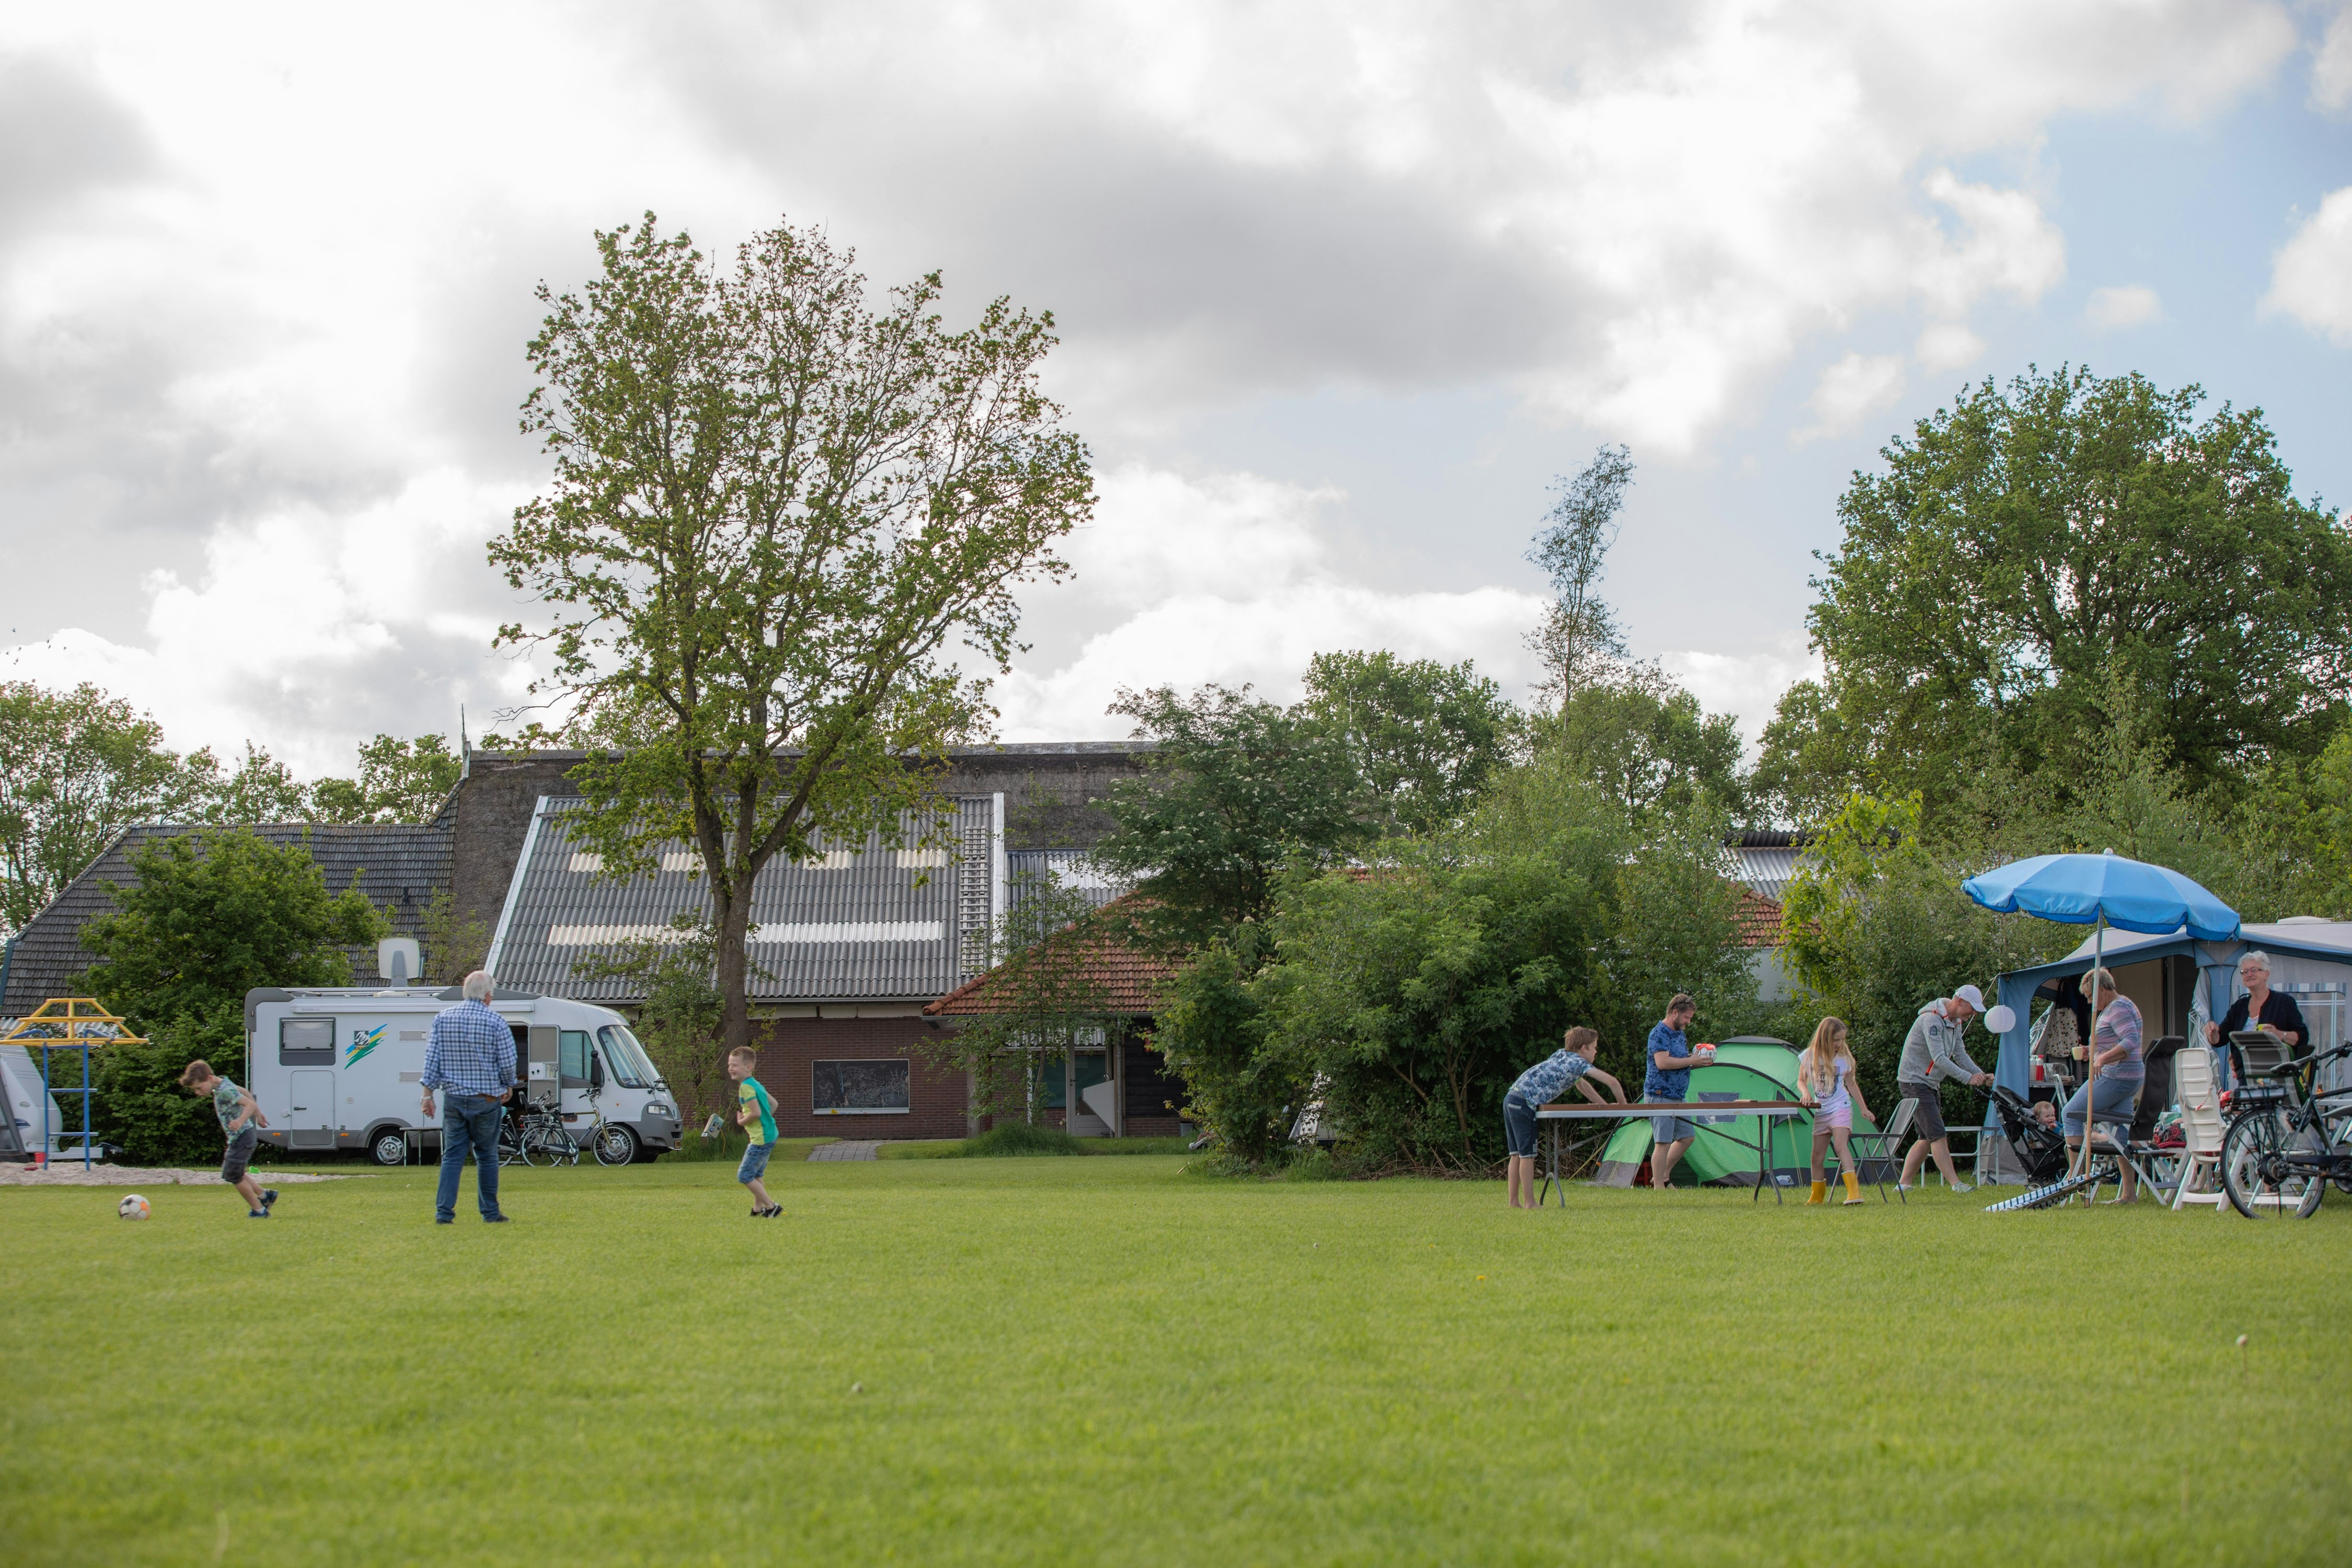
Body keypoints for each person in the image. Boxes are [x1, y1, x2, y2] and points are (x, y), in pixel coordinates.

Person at [421, 970, 517, 1225]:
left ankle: (444, 1214)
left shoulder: (443, 1019)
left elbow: (432, 1059)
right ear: (487, 995)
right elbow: (508, 1061)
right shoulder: (496, 1021)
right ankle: (490, 1213)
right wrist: (508, 1085)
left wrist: (427, 1095)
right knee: (487, 1156)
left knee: (452, 1156)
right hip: (486, 1099)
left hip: (454, 1098)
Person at [1503, 1026, 1627, 1208]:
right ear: (1584, 1048)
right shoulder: (1578, 1062)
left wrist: (1604, 1106)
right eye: (1594, 1048)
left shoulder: (1562, 1055)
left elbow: (1581, 1085)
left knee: (1516, 1154)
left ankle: (1514, 1202)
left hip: (1511, 1098)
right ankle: (1530, 1203)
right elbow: (1612, 1082)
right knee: (1528, 1155)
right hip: (1525, 1103)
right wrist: (1623, 1106)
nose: (1596, 1052)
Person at [1896, 983, 1993, 1193]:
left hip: (1929, 1084)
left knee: (1926, 1138)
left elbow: (1960, 1054)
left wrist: (1980, 1075)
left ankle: (1903, 1185)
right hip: (1914, 1083)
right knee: (1938, 1134)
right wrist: (1968, 1078)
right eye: (1972, 1008)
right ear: (1960, 1001)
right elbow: (1939, 1058)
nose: (1974, 1013)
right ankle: (1956, 1184)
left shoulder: (1956, 1023)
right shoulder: (1931, 1019)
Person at [2062, 967, 2143, 1200]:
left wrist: (2103, 1058)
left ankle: (2076, 1178)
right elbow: (2118, 1041)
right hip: (2128, 1078)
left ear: (2102, 990)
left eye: (2090, 996)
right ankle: (2128, 1194)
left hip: (2116, 1076)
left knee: (2070, 1113)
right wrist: (2094, 1051)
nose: (2089, 1002)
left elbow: (2130, 1041)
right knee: (2120, 1136)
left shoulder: (2117, 1009)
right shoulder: (2123, 1004)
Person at [177, 1059, 278, 1219]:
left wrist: (241, 1120)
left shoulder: (224, 1090)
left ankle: (259, 1211)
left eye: (199, 1088)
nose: (197, 1092)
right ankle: (265, 1195)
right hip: (242, 1137)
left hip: (242, 1137)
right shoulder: (223, 1084)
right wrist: (258, 1114)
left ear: (210, 1078)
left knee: (233, 1175)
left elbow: (249, 1104)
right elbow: (244, 1091)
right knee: (234, 1172)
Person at [1796, 1017, 1874, 1206]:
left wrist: (1863, 1108)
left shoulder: (1844, 1058)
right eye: (1835, 1040)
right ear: (1824, 1038)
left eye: (1841, 1039)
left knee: (1840, 1146)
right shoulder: (1809, 1055)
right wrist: (1806, 1093)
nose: (1839, 1044)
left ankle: (1854, 1192)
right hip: (1822, 1110)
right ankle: (1817, 1196)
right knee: (1817, 1156)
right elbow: (1801, 1080)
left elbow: (1852, 1084)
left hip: (1841, 1107)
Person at [2205, 950, 2305, 1077]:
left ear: (2266, 974)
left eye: (2254, 970)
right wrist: (2212, 1033)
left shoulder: (2284, 1002)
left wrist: (2280, 1035)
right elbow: (2220, 1039)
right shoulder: (2239, 1007)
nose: (2249, 974)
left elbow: (2303, 1037)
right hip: (2246, 1075)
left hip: (2277, 1074)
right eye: (2245, 972)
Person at [1643, 994, 1709, 1187]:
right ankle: (1658, 1188)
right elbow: (1662, 1063)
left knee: (1687, 1137)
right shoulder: (1659, 1033)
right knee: (1662, 1142)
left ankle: (1663, 1176)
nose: (1689, 1022)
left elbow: (1680, 1059)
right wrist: (1691, 1060)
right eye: (1687, 1017)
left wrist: (1697, 1060)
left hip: (1678, 1096)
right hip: (1660, 1095)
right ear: (1674, 1013)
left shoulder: (1680, 1033)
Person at [729, 1046, 781, 1218]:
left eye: (735, 1065)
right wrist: (765, 1120)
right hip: (770, 1134)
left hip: (761, 1140)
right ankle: (758, 1209)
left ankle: (771, 1207)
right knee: (757, 1174)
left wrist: (742, 1122)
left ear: (749, 1067)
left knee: (745, 1176)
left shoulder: (746, 1087)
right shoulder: (756, 1084)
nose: (730, 1069)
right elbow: (774, 1104)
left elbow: (756, 1113)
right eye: (729, 1065)